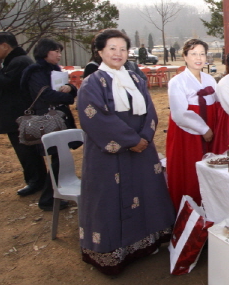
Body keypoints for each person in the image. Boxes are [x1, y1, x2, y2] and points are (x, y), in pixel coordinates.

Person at [76, 29, 174, 275]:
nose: (118, 54)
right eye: (112, 48)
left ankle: (146, 243)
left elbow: (150, 111)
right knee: (110, 200)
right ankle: (113, 254)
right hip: (109, 155)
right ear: (100, 51)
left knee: (146, 193)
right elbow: (95, 118)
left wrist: (144, 138)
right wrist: (131, 140)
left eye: (123, 49)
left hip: (142, 151)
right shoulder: (91, 82)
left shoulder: (136, 78)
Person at [21, 38, 79, 211]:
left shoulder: (55, 70)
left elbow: (66, 89)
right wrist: (69, 97)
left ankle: (53, 195)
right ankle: (48, 198)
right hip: (47, 119)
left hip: (59, 118)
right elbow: (46, 95)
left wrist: (70, 88)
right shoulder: (35, 71)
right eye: (56, 51)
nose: (59, 55)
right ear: (46, 51)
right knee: (58, 157)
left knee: (60, 157)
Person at [166, 39, 220, 209]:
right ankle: (188, 214)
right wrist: (203, 129)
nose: (199, 58)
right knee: (188, 172)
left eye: (202, 54)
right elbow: (180, 114)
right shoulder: (177, 82)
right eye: (194, 54)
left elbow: (218, 104)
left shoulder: (210, 79)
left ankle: (210, 210)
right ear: (185, 56)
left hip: (210, 129)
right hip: (187, 133)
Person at [0, 32, 46, 198]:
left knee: (27, 151)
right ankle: (36, 179)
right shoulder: (16, 61)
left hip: (20, 116)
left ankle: (36, 181)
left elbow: (3, 83)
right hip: (17, 115)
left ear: (4, 45)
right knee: (26, 150)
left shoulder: (19, 62)